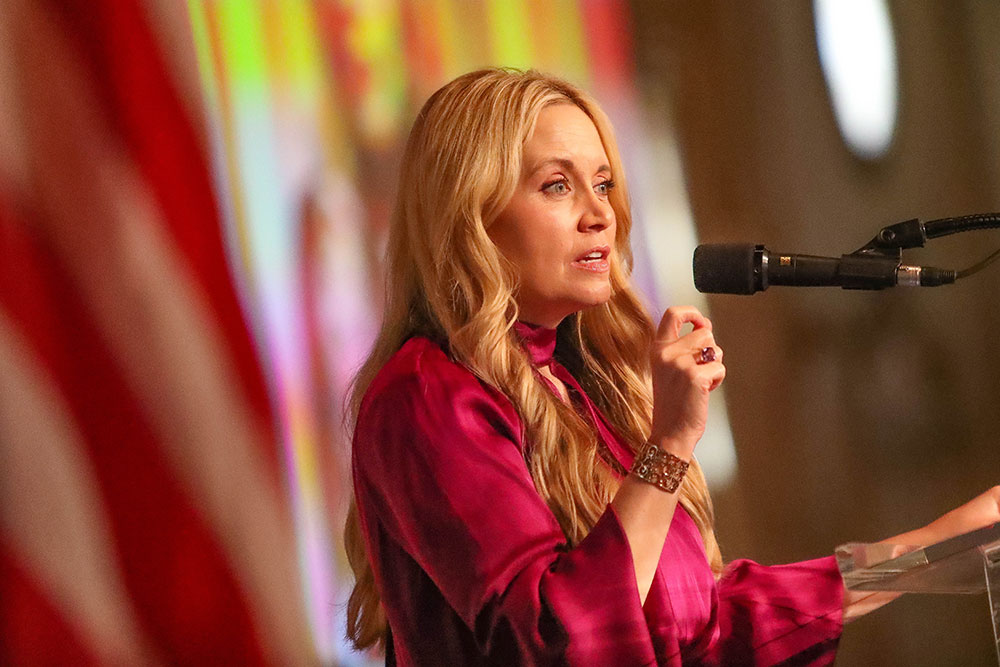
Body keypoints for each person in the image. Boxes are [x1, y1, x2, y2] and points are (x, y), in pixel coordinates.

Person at [343, 68, 1000, 665]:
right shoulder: (428, 393)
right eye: (557, 185)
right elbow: (555, 638)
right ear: (472, 214)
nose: (600, 214)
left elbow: (705, 627)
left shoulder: (575, 390)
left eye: (603, 184)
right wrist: (670, 443)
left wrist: (932, 547)